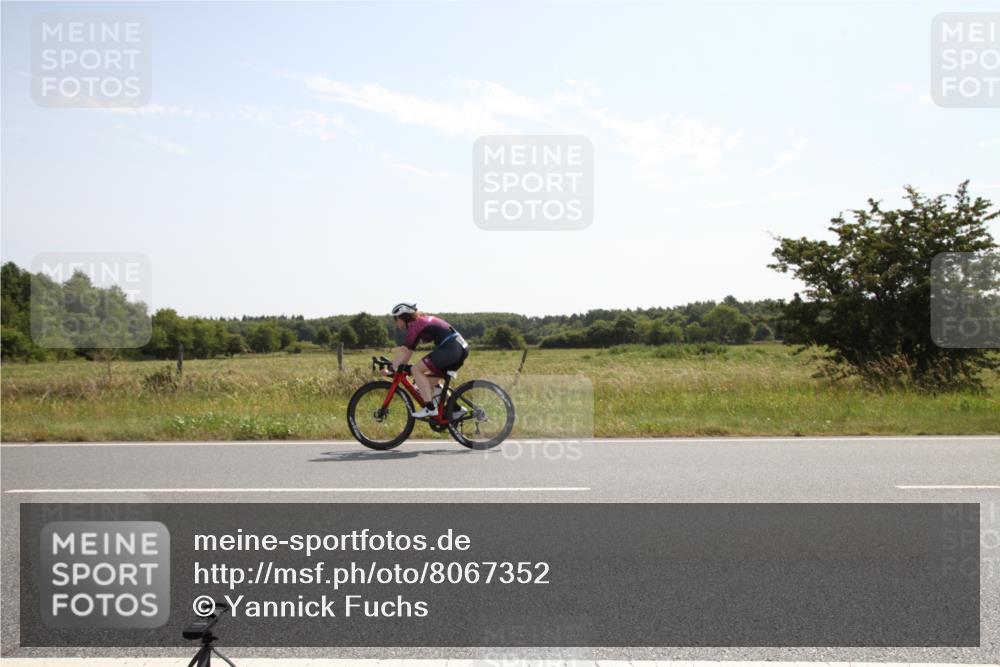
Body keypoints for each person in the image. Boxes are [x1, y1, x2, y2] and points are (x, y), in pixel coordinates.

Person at [387, 302, 469, 418]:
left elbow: (406, 351)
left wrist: (391, 369)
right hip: (459, 349)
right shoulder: (420, 321)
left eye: (395, 319)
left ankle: (430, 408)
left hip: (451, 349)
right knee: (429, 380)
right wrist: (397, 367)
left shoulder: (415, 325)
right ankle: (456, 409)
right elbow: (408, 353)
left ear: (402, 317)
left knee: (416, 370)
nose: (396, 323)